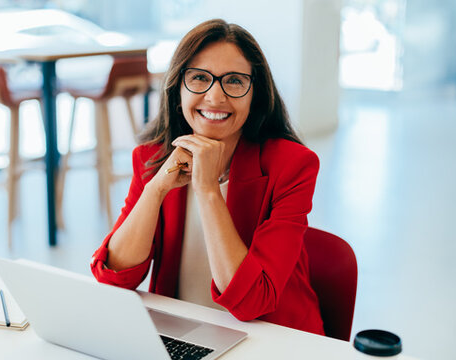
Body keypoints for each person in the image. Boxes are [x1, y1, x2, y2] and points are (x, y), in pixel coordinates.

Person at [90, 19, 324, 336]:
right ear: (177, 90)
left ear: (255, 94)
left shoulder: (293, 165)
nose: (215, 97)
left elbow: (253, 302)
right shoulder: (150, 158)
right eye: (199, 78)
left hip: (271, 339)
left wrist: (208, 188)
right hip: (183, 334)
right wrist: (156, 188)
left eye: (235, 81)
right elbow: (115, 276)